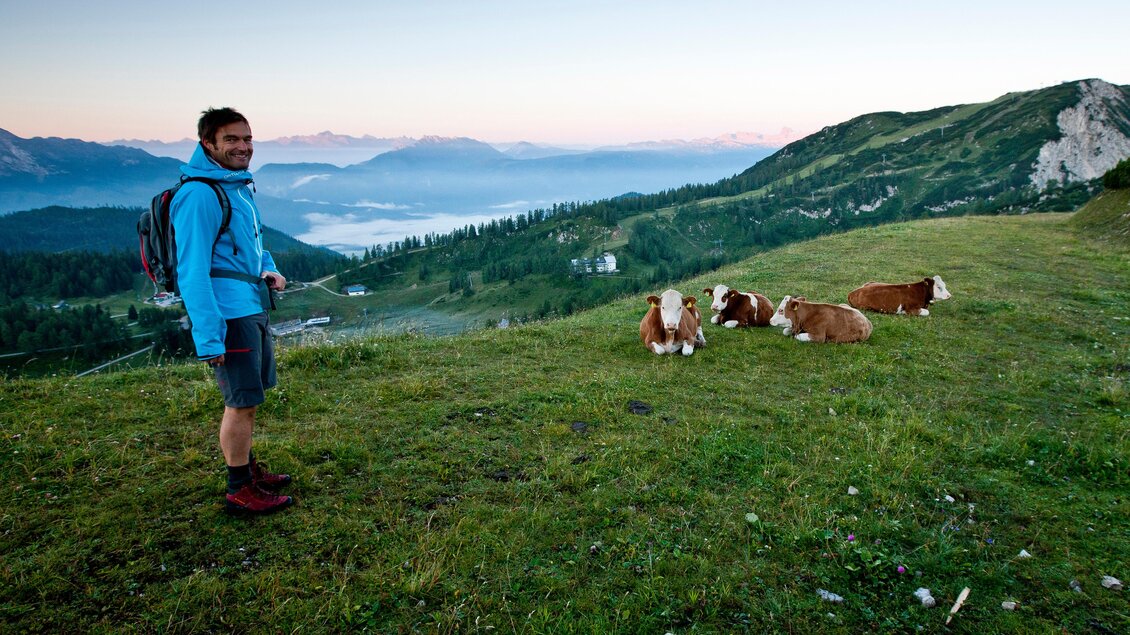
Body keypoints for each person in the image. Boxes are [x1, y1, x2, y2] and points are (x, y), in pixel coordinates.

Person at [171, 107, 294, 515]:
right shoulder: (200, 195)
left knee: (249, 398)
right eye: (231, 140)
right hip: (229, 317)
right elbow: (192, 273)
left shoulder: (236, 186)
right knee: (239, 402)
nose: (243, 147)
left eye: (247, 138)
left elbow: (253, 245)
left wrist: (268, 268)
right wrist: (209, 337)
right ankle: (238, 488)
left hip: (249, 306)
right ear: (208, 144)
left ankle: (246, 468)